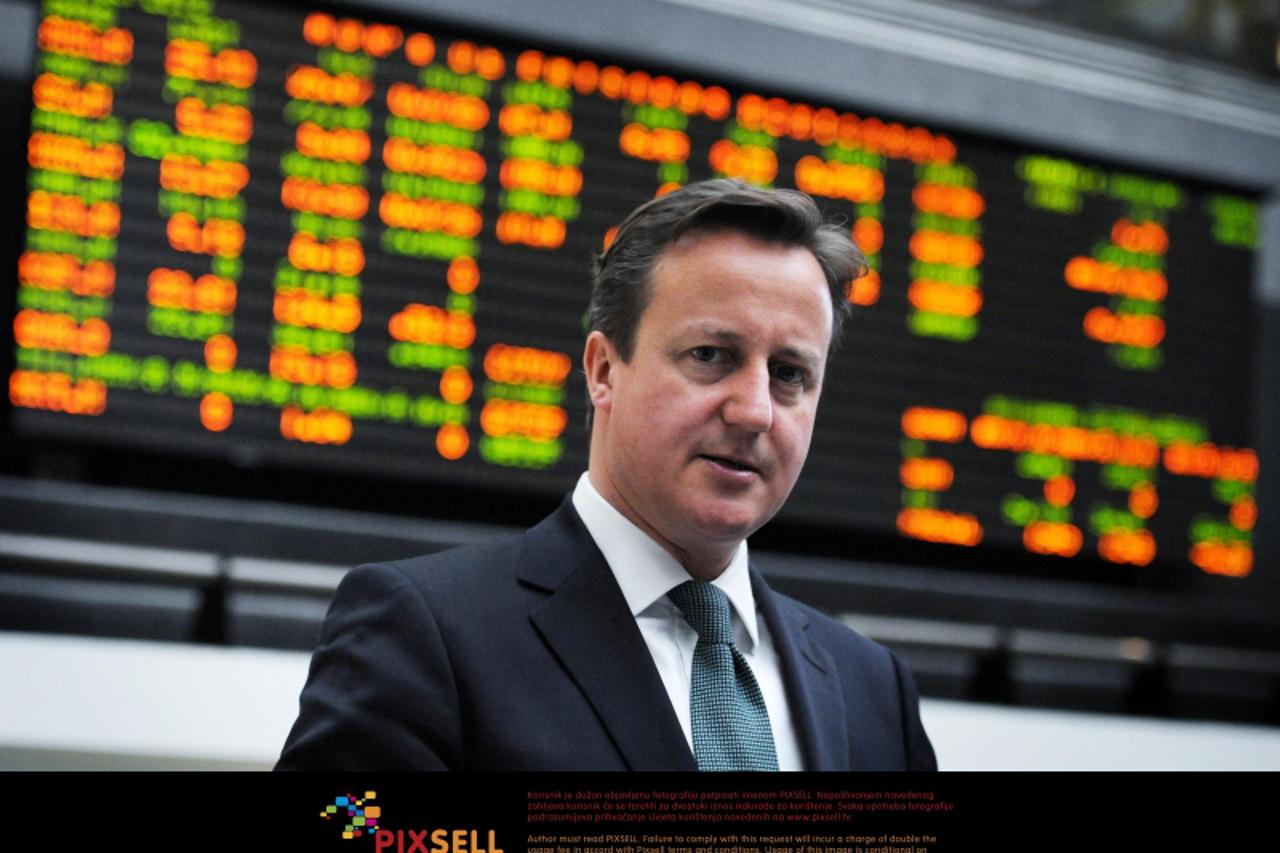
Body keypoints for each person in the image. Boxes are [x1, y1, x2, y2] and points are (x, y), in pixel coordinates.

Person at [277, 179, 936, 771]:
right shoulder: (428, 631)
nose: (755, 410)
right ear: (602, 370)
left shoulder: (872, 690)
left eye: (789, 374)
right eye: (710, 355)